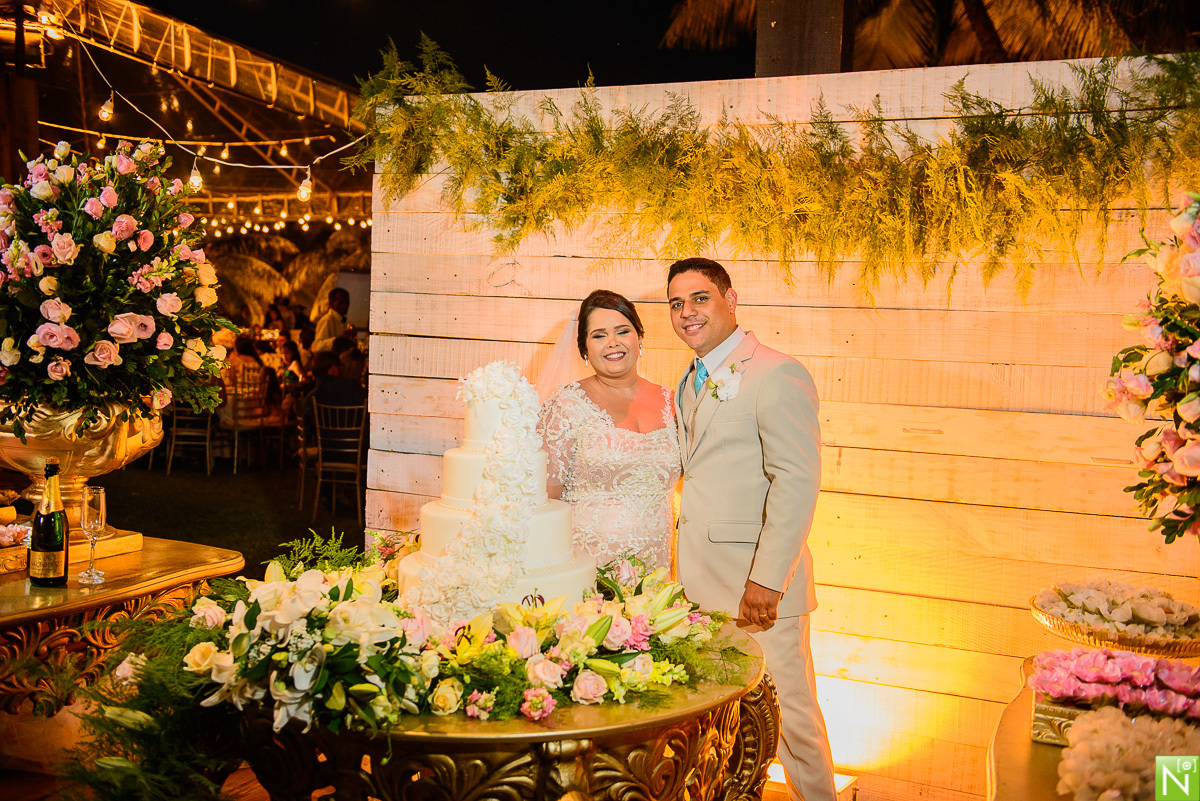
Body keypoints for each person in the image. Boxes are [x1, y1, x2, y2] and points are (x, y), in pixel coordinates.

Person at [667, 258, 836, 801]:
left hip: (758, 593)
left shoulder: (775, 371)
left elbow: (796, 481)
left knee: (791, 725)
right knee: (726, 733)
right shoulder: (687, 382)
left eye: (699, 298)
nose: (687, 312)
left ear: (730, 299)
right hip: (699, 590)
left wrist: (768, 581)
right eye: (676, 303)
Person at [537, 290, 680, 568]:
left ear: (640, 337)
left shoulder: (672, 401)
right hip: (586, 565)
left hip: (657, 565)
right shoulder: (564, 406)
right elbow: (544, 502)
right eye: (599, 335)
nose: (612, 343)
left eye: (622, 331)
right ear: (584, 349)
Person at [313, 288, 351, 352]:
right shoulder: (327, 320)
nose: (345, 306)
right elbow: (316, 347)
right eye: (341, 303)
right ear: (331, 304)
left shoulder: (342, 321)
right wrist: (338, 339)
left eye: (347, 303)